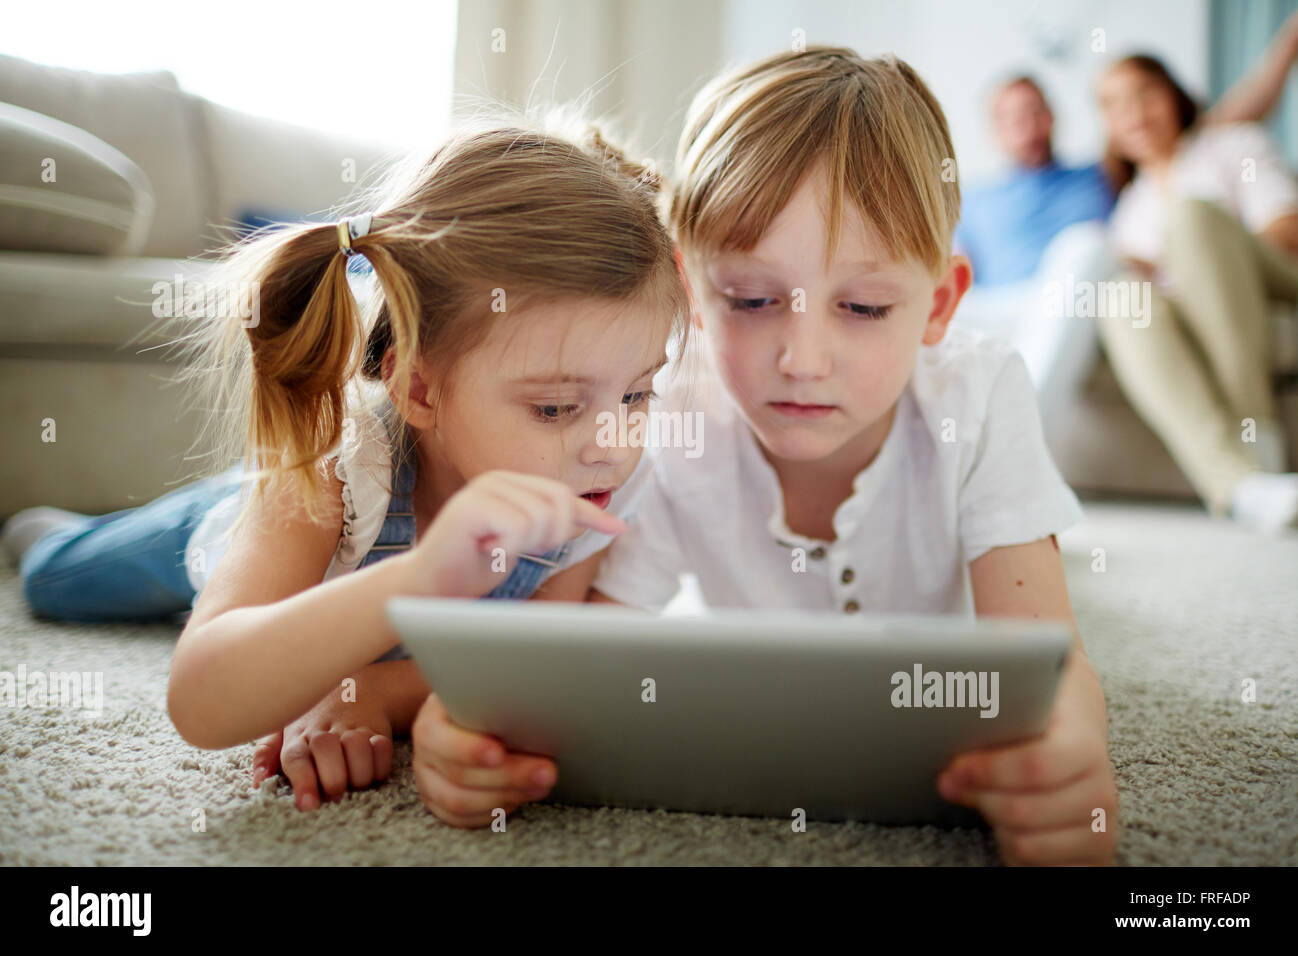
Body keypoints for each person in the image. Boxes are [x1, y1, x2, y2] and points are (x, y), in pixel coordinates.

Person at [412, 48, 1120, 866]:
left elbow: (1046, 655)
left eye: (861, 306)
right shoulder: (667, 412)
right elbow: (587, 652)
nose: (803, 359)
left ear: (939, 305)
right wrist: (475, 721)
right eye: (751, 300)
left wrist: (1071, 760)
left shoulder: (979, 390)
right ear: (691, 291)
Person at [3, 115, 690, 810]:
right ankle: (49, 532)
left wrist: (364, 690)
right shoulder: (337, 465)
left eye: (638, 392)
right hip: (220, 524)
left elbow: (534, 655)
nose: (614, 441)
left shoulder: (597, 483)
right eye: (555, 407)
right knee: (61, 580)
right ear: (419, 387)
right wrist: (417, 578)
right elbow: (200, 703)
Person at [954, 15, 1298, 425]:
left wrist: (1288, 42)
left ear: (1053, 117)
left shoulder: (1097, 178)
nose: (1026, 126)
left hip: (1072, 301)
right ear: (993, 130)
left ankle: (1019, 427)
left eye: (1034, 112)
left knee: (1087, 245)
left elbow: (1224, 120)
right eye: (1010, 118)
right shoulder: (974, 200)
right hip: (1001, 307)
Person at [1093, 54, 1298, 532]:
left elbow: (1287, 236)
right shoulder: (1131, 206)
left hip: (1277, 277)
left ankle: (1259, 439)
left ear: (1174, 96)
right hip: (1194, 304)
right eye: (1114, 105)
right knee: (1122, 294)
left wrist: (1193, 257)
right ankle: (1242, 485)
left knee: (1189, 220)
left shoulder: (1231, 144)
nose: (1134, 113)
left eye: (1145, 94)